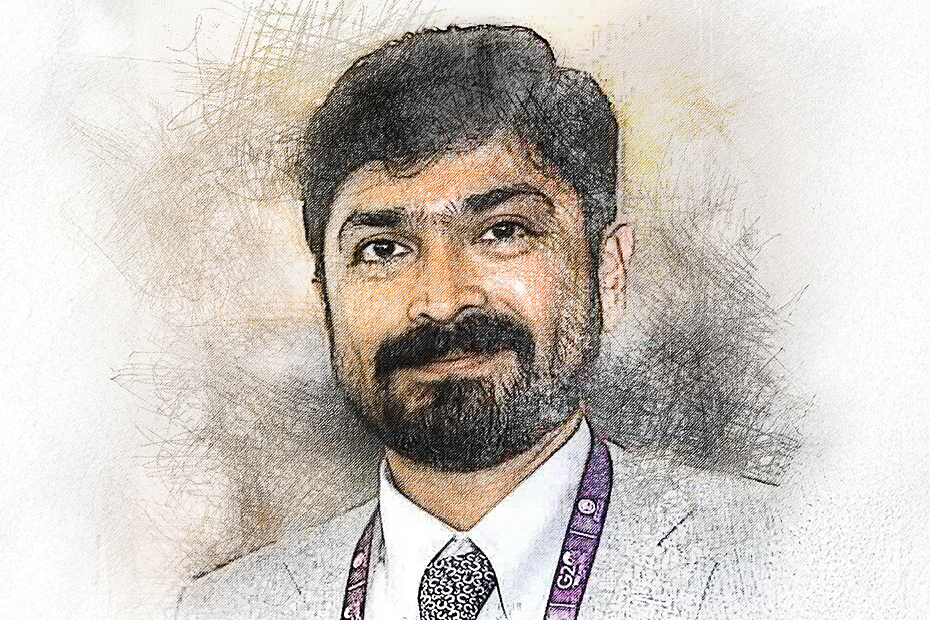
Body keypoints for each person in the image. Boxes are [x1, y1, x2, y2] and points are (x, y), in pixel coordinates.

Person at [176, 24, 775, 620]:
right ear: (327, 300)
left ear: (609, 273)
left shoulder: (775, 560)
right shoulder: (224, 608)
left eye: (503, 232)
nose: (441, 301)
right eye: (383, 249)